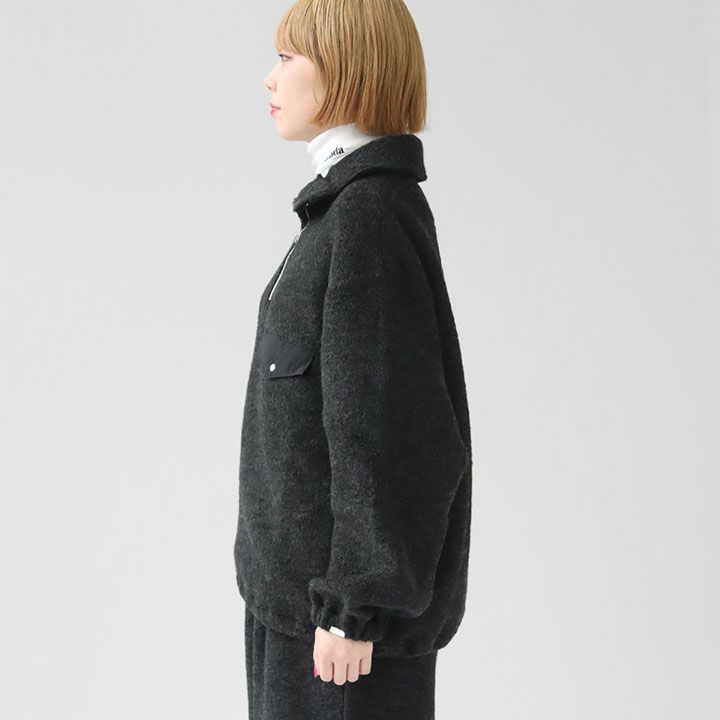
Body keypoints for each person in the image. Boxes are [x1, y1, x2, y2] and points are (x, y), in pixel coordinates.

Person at [234, 1, 473, 717]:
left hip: (337, 639)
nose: (270, 77)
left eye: (288, 57)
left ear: (344, 68)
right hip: (298, 618)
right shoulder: (338, 217)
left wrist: (355, 606)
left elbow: (393, 427)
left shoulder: (367, 218)